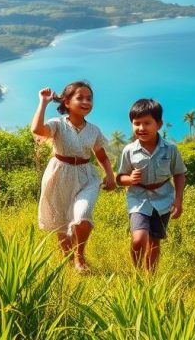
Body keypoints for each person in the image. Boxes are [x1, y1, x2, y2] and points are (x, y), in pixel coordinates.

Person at [31, 81, 115, 272]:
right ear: (67, 102)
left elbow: (101, 156)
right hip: (59, 174)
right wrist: (43, 102)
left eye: (89, 98)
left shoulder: (94, 130)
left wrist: (110, 176)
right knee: (61, 221)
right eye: (80, 98)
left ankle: (80, 257)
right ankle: (68, 261)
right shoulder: (57, 125)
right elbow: (37, 130)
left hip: (86, 177)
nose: (86, 102)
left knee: (82, 215)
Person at [116, 98, 186, 272]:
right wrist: (130, 179)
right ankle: (138, 274)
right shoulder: (129, 150)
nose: (141, 128)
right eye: (136, 123)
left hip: (163, 199)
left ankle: (151, 277)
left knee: (155, 241)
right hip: (138, 198)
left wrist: (178, 200)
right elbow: (120, 178)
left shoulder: (170, 149)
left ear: (159, 124)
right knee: (139, 239)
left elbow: (179, 174)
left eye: (147, 123)